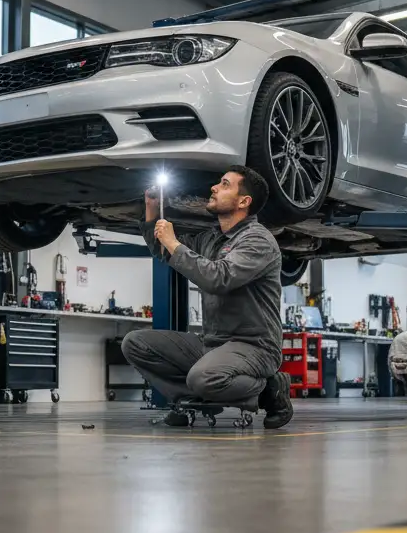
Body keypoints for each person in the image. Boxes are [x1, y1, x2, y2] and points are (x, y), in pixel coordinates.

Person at [121, 165, 293, 428]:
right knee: (135, 343)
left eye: (225, 184)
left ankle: (268, 389)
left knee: (204, 377)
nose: (213, 187)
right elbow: (165, 250)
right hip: (213, 345)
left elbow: (218, 278)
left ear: (243, 201)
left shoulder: (257, 241)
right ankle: (190, 399)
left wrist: (174, 242)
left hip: (254, 346)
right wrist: (153, 208)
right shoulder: (211, 239)